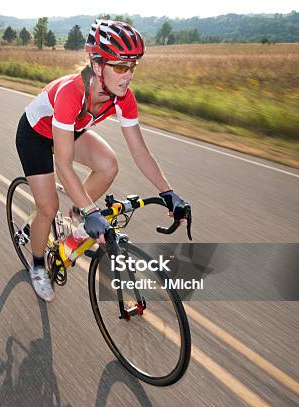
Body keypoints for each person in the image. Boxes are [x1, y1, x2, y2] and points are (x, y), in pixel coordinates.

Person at [15, 20, 188, 302]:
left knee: (109, 164)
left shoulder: (122, 97)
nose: (128, 75)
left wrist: (168, 193)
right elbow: (64, 163)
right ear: (97, 65)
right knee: (47, 208)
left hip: (70, 131)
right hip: (35, 135)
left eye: (133, 66)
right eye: (120, 66)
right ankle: (36, 266)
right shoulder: (72, 92)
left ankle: (77, 216)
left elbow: (140, 151)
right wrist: (92, 209)